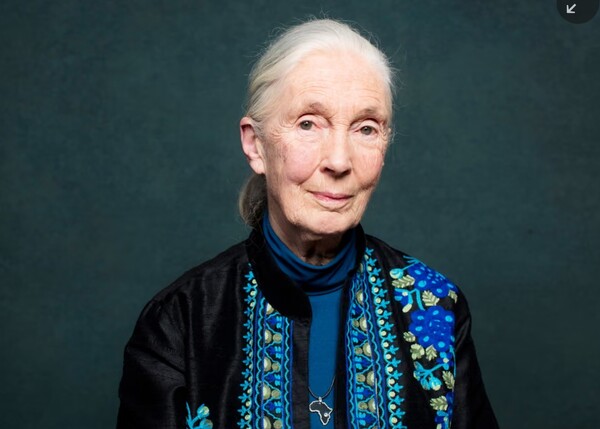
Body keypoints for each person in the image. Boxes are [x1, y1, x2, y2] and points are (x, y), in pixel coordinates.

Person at [117, 18, 499, 429]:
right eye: (308, 124)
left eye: (366, 128)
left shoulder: (435, 305)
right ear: (256, 145)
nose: (339, 161)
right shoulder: (181, 321)